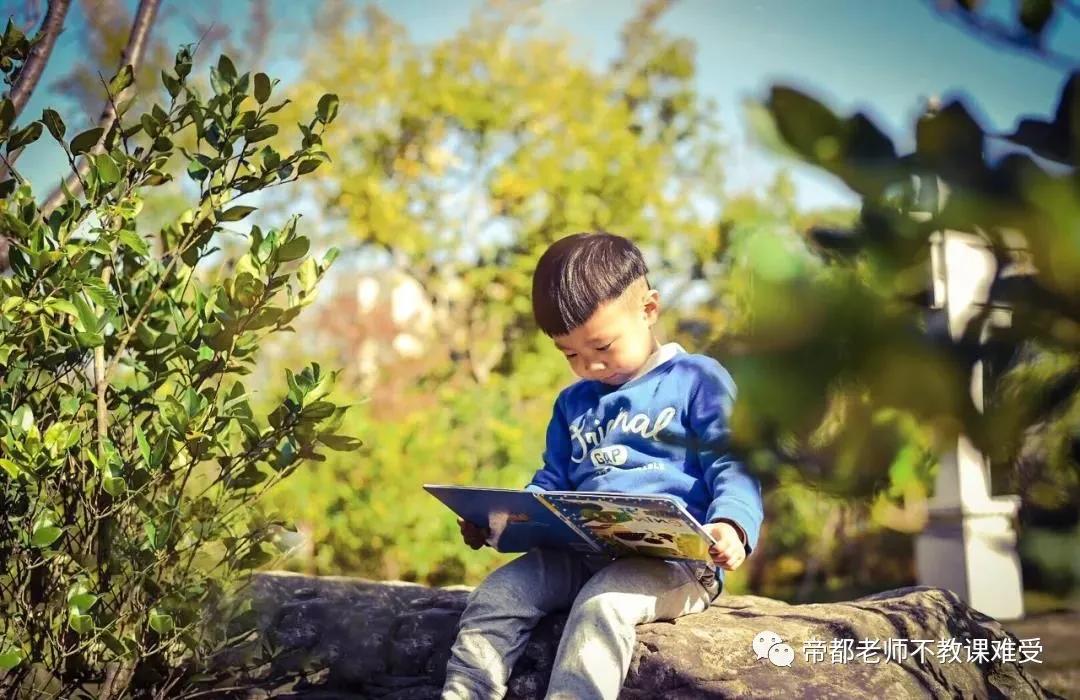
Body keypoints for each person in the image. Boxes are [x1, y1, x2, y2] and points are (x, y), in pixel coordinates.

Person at [441, 231, 764, 700]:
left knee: (603, 604)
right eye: (570, 354)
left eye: (603, 347)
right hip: (579, 553)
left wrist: (732, 526)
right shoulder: (573, 403)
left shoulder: (696, 379)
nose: (589, 366)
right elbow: (551, 484)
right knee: (496, 595)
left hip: (675, 564)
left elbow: (734, 463)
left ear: (648, 310)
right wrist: (499, 521)